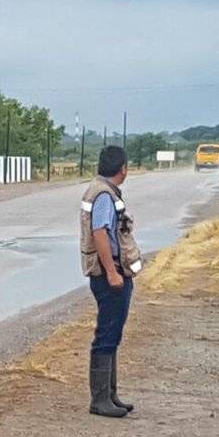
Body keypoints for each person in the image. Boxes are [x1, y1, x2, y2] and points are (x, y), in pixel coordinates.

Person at [79, 145, 143, 418]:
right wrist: (113, 272)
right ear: (123, 169)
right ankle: (100, 399)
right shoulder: (104, 195)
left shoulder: (99, 189)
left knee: (112, 334)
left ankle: (110, 395)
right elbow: (100, 233)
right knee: (107, 335)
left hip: (109, 272)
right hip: (110, 274)